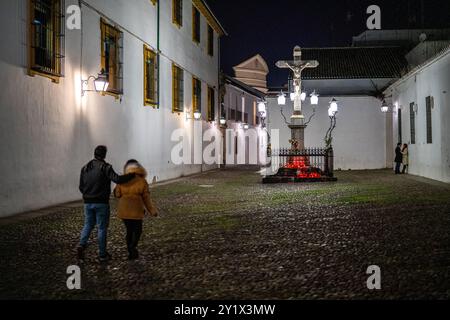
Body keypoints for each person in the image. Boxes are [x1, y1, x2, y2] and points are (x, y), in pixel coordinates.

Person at [78, 146, 135, 262]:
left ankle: (81, 245)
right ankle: (102, 254)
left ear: (94, 154)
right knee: (102, 228)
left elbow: (81, 187)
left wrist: (88, 195)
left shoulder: (85, 168)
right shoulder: (106, 167)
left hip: (87, 203)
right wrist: (130, 176)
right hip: (101, 203)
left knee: (88, 225)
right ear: (104, 155)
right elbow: (117, 179)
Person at [114, 160, 158, 260]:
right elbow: (146, 198)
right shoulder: (142, 181)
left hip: (124, 210)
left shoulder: (122, 180)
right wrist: (152, 210)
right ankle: (132, 247)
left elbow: (117, 194)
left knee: (129, 231)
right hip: (136, 210)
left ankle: (131, 250)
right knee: (138, 231)